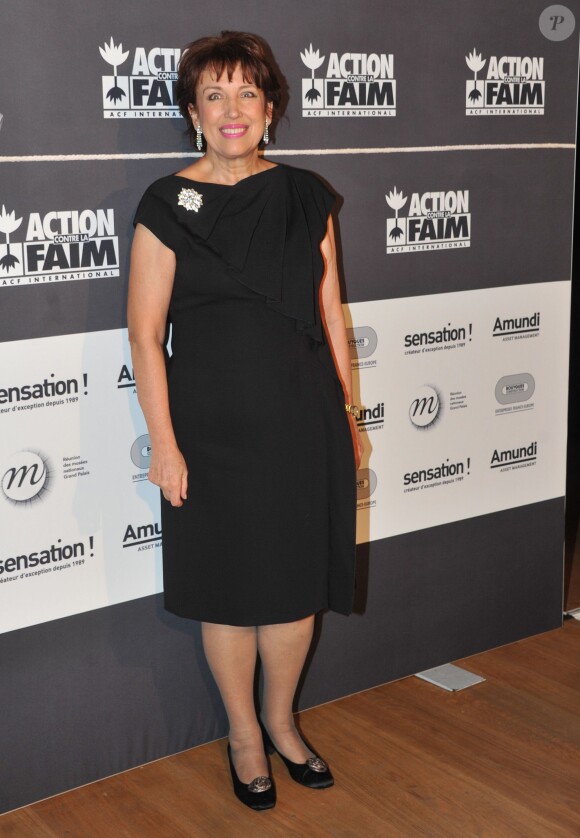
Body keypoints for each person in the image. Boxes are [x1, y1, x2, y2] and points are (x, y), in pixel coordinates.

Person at [128, 31, 362, 811]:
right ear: (193, 113)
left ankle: (281, 721)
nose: (233, 109)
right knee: (227, 590)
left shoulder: (305, 195)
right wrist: (165, 443)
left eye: (247, 93)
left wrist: (348, 415)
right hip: (211, 430)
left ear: (269, 108)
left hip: (301, 418)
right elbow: (145, 335)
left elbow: (330, 313)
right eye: (214, 94)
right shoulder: (167, 204)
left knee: (294, 593)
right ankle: (243, 736)